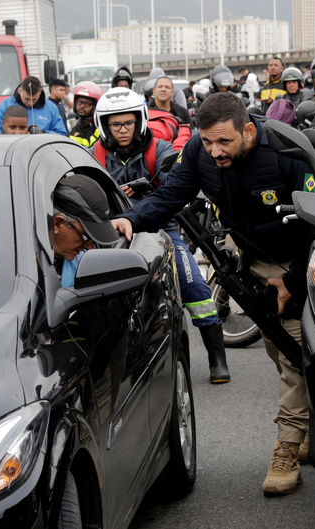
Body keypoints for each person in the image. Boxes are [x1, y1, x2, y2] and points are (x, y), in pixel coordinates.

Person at [111, 91, 315, 496]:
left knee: (292, 351)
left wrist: (294, 281)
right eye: (207, 141)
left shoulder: (288, 150)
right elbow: (169, 196)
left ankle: (288, 444)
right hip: (253, 259)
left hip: (307, 256)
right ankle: (308, 424)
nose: (214, 151)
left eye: (224, 142)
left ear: (248, 130)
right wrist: (129, 221)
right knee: (278, 347)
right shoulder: (198, 150)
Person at [92, 87, 230, 385]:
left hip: (161, 229)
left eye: (128, 122)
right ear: (104, 126)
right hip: (113, 233)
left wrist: (148, 188)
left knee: (193, 285)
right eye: (115, 124)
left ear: (140, 120)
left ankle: (217, 358)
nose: (123, 130)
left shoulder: (161, 148)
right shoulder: (94, 155)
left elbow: (179, 179)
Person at [51, 173, 121, 288]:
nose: (89, 248)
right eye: (86, 237)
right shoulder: (19, 265)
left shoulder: (82, 265)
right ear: (57, 224)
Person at [0, 76, 67, 135]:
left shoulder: (51, 108)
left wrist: (42, 133)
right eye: (27, 99)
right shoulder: (4, 106)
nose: (30, 103)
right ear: (20, 91)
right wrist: (9, 133)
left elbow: (62, 133)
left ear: (40, 92)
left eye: (34, 99)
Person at [68, 81, 103, 147]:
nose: (81, 106)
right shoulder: (74, 130)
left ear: (95, 106)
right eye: (79, 102)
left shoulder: (103, 128)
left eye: (86, 103)